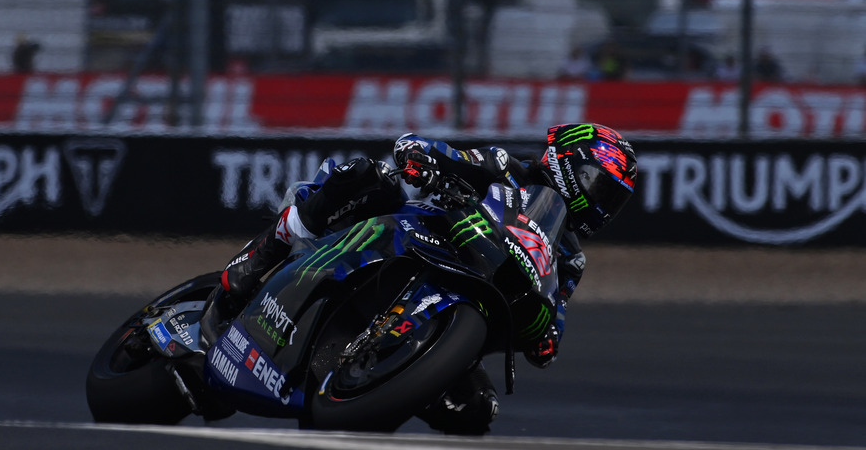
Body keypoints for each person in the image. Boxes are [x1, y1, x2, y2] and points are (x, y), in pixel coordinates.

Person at [202, 123, 639, 435]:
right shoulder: (506, 168)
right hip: (413, 237)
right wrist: (422, 160)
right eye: (601, 187)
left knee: (477, 410)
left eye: (614, 201)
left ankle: (380, 387)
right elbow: (433, 150)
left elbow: (555, 312)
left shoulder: (570, 258)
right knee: (367, 177)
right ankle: (260, 257)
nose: (604, 206)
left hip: (467, 298)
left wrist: (546, 339)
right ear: (569, 163)